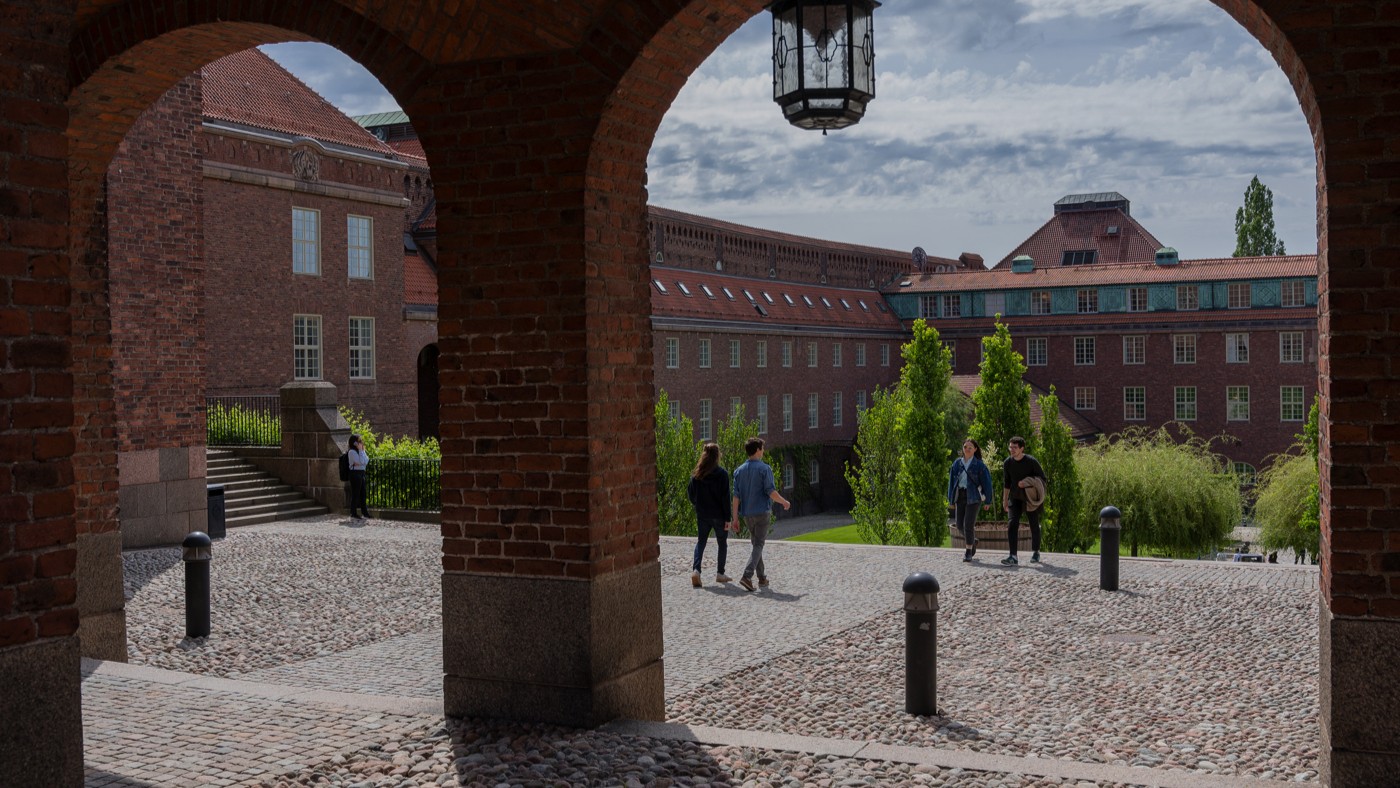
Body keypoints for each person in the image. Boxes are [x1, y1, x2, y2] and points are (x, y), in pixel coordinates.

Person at [730, 437, 790, 592]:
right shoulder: (765, 469)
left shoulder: (738, 471)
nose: (763, 451)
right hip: (762, 512)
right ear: (757, 450)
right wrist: (784, 502)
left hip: (747, 514)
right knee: (758, 544)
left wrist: (735, 518)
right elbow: (771, 491)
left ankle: (762, 578)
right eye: (762, 449)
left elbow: (736, 497)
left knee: (756, 544)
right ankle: (747, 576)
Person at [686, 442, 732, 587]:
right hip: (719, 515)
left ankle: (696, 570)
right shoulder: (722, 474)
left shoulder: (697, 474)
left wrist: (698, 505)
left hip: (703, 514)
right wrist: (727, 518)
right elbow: (725, 498)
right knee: (722, 543)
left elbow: (691, 494)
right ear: (717, 456)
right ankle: (720, 573)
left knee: (701, 542)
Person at [1001, 435, 1046, 566]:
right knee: (1012, 523)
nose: (1012, 449)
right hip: (1015, 498)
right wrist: (1004, 501)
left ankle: (1036, 551)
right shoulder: (1007, 463)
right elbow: (1007, 483)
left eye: (1015, 447)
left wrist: (1026, 482)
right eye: (1010, 447)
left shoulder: (1031, 461)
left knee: (1033, 524)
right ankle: (1013, 556)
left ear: (1022, 448)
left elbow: (1042, 479)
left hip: (1030, 498)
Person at [947, 438, 994, 562]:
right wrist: (950, 499)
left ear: (975, 450)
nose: (967, 449)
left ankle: (968, 551)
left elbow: (987, 484)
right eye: (965, 447)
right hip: (960, 496)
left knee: (968, 525)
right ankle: (973, 540)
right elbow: (951, 482)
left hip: (973, 497)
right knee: (958, 524)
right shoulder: (957, 464)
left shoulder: (979, 465)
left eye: (970, 448)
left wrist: (988, 500)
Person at [347, 434, 371, 519]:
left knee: (363, 493)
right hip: (355, 474)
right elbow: (361, 461)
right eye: (359, 441)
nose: (361, 442)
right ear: (354, 443)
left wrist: (362, 451)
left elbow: (366, 461)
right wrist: (361, 451)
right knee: (356, 494)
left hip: (361, 473)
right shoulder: (352, 452)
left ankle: (365, 512)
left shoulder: (361, 450)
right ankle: (353, 512)